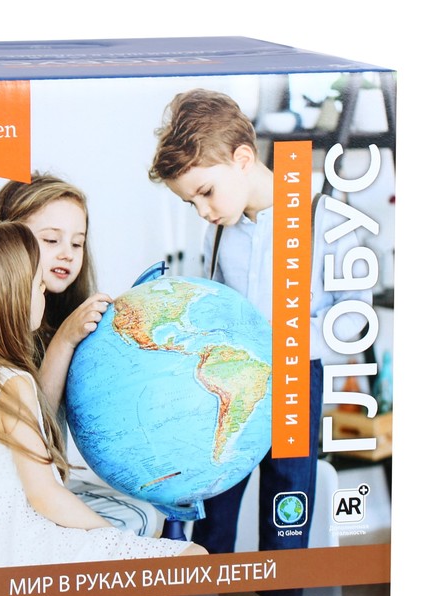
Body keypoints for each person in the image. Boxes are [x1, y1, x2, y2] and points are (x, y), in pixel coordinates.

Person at [0, 222, 205, 570]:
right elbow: (45, 495)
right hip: (20, 564)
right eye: (38, 285)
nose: (44, 292)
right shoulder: (11, 383)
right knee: (194, 559)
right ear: (9, 302)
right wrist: (110, 535)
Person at [148, 88, 371, 556]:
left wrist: (284, 340)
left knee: (287, 507)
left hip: (294, 381)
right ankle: (206, 592)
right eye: (192, 203)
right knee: (215, 504)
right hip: (230, 382)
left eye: (205, 193)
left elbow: (352, 316)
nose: (204, 211)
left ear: (243, 159)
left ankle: (282, 595)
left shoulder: (326, 219)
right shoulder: (218, 232)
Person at [0, 174, 162, 537]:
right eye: (51, 240)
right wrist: (63, 342)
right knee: (128, 527)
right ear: (8, 241)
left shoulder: (59, 318)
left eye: (77, 242)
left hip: (46, 487)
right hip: (7, 499)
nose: (67, 252)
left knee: (145, 513)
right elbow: (39, 426)